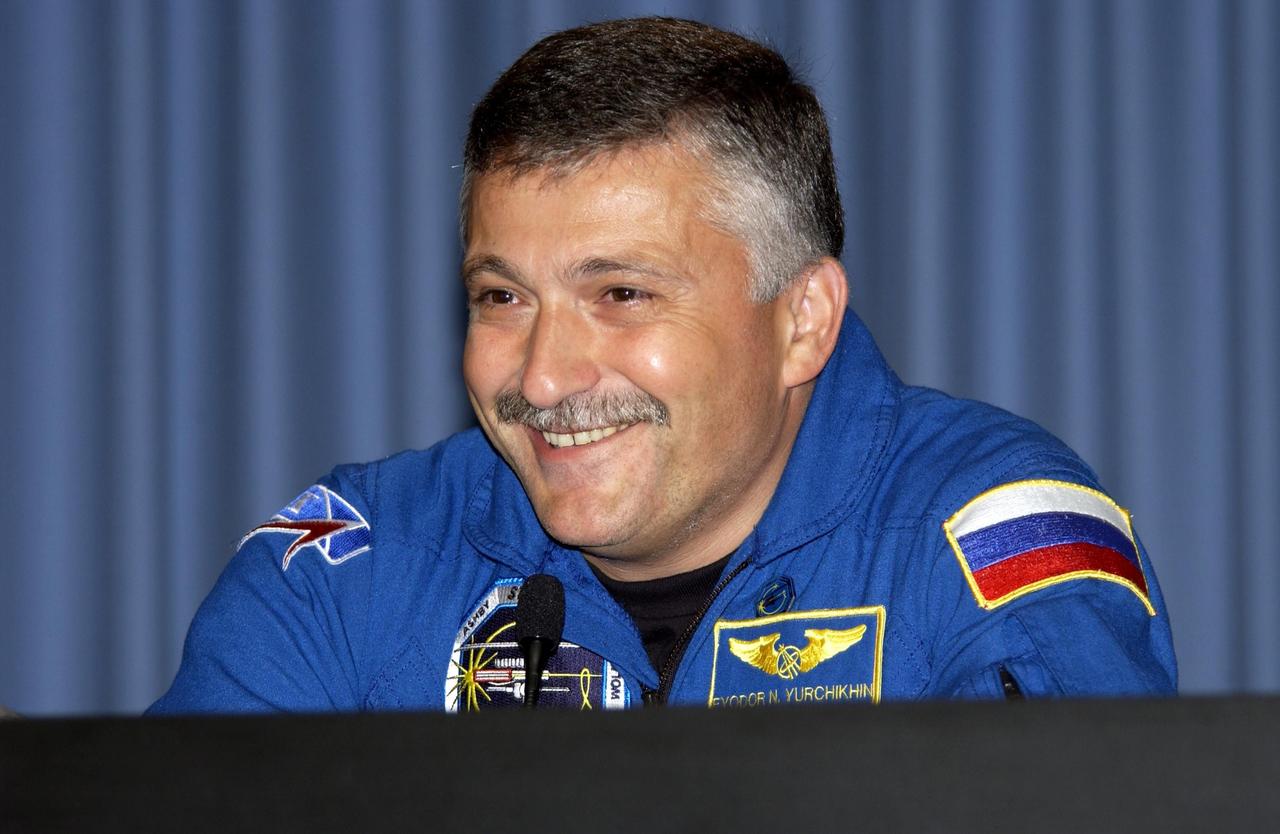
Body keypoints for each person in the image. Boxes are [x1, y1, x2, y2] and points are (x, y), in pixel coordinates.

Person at [149, 17, 1175, 714]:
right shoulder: (347, 571)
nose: (543, 378)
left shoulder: (987, 538)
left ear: (801, 321)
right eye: (501, 298)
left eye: (621, 295)